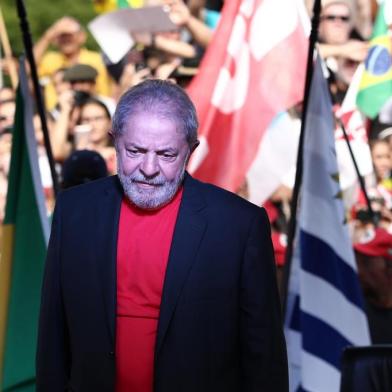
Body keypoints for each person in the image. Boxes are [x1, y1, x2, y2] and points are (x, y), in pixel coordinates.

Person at [36, 79, 288, 391]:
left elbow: (263, 351)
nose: (149, 167)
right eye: (135, 150)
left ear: (190, 151)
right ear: (115, 142)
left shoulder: (238, 224)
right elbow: (53, 334)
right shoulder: (75, 211)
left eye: (166, 154)